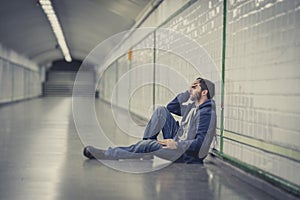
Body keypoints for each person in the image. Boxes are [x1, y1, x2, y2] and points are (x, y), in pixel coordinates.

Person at [83, 77, 216, 164]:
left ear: (204, 92)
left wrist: (177, 145)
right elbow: (171, 107)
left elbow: (201, 145)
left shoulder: (207, 113)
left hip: (183, 153)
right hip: (176, 140)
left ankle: (107, 154)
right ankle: (145, 147)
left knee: (148, 146)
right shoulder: (192, 107)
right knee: (160, 111)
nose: (192, 90)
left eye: (195, 87)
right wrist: (187, 92)